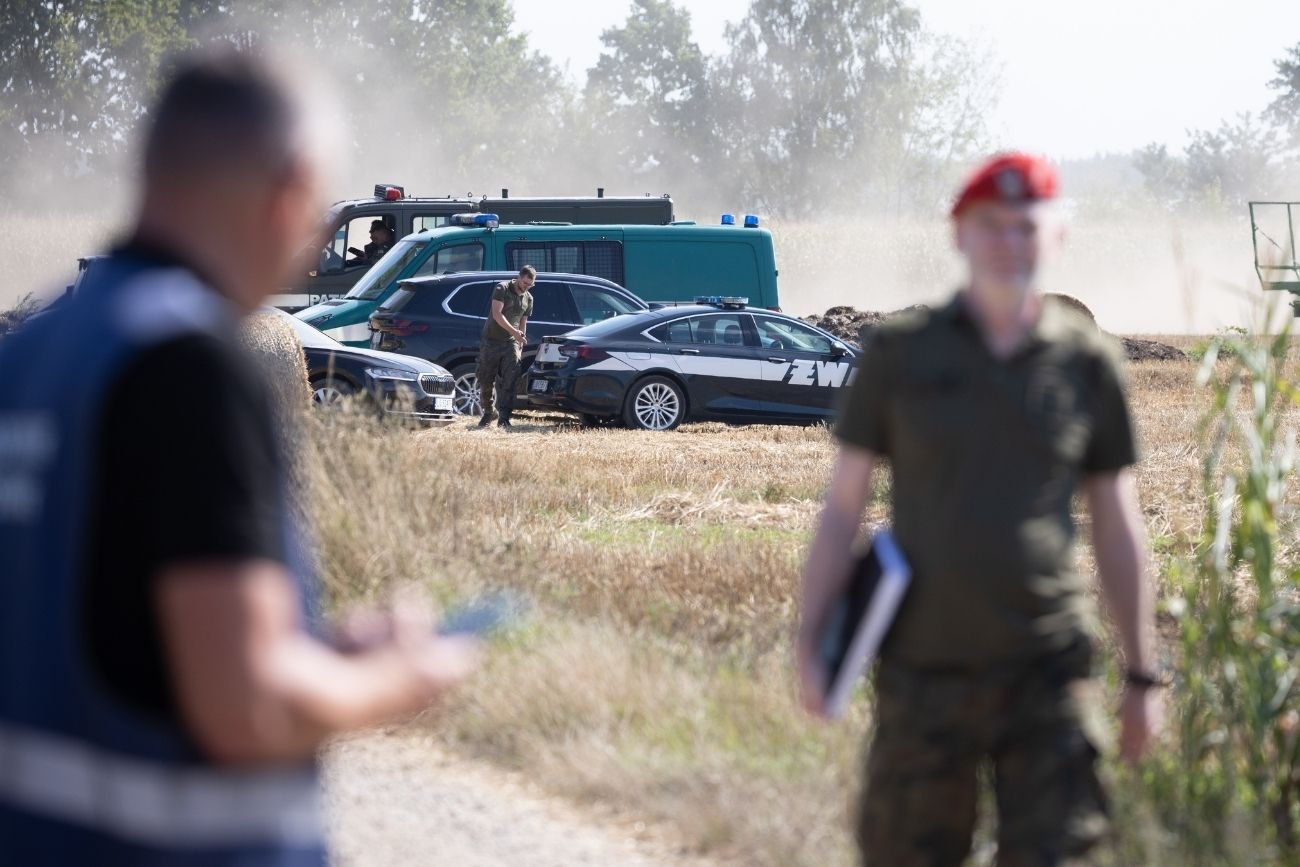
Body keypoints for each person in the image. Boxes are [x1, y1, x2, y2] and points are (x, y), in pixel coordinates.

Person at [0, 49, 478, 866]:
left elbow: (115, 623)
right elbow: (247, 707)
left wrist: (313, 650)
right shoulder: (192, 363)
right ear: (291, 190)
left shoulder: (30, 355)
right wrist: (401, 675)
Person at [796, 153, 1161, 866]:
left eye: (1027, 226)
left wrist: (1143, 674)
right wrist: (812, 644)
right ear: (959, 233)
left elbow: (1118, 523)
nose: (1009, 242)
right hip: (924, 671)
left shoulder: (1086, 361)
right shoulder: (901, 353)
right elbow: (842, 509)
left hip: (1048, 671)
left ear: (1055, 237)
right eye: (991, 225)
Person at [477, 265, 535, 429]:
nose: (527, 287)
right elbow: (497, 314)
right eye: (525, 283)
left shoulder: (528, 298)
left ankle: (504, 416)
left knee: (511, 379)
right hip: (491, 341)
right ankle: (489, 412)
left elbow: (523, 322)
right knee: (486, 379)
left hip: (511, 343)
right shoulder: (502, 288)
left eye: (530, 285)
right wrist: (514, 332)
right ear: (519, 277)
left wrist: (520, 342)